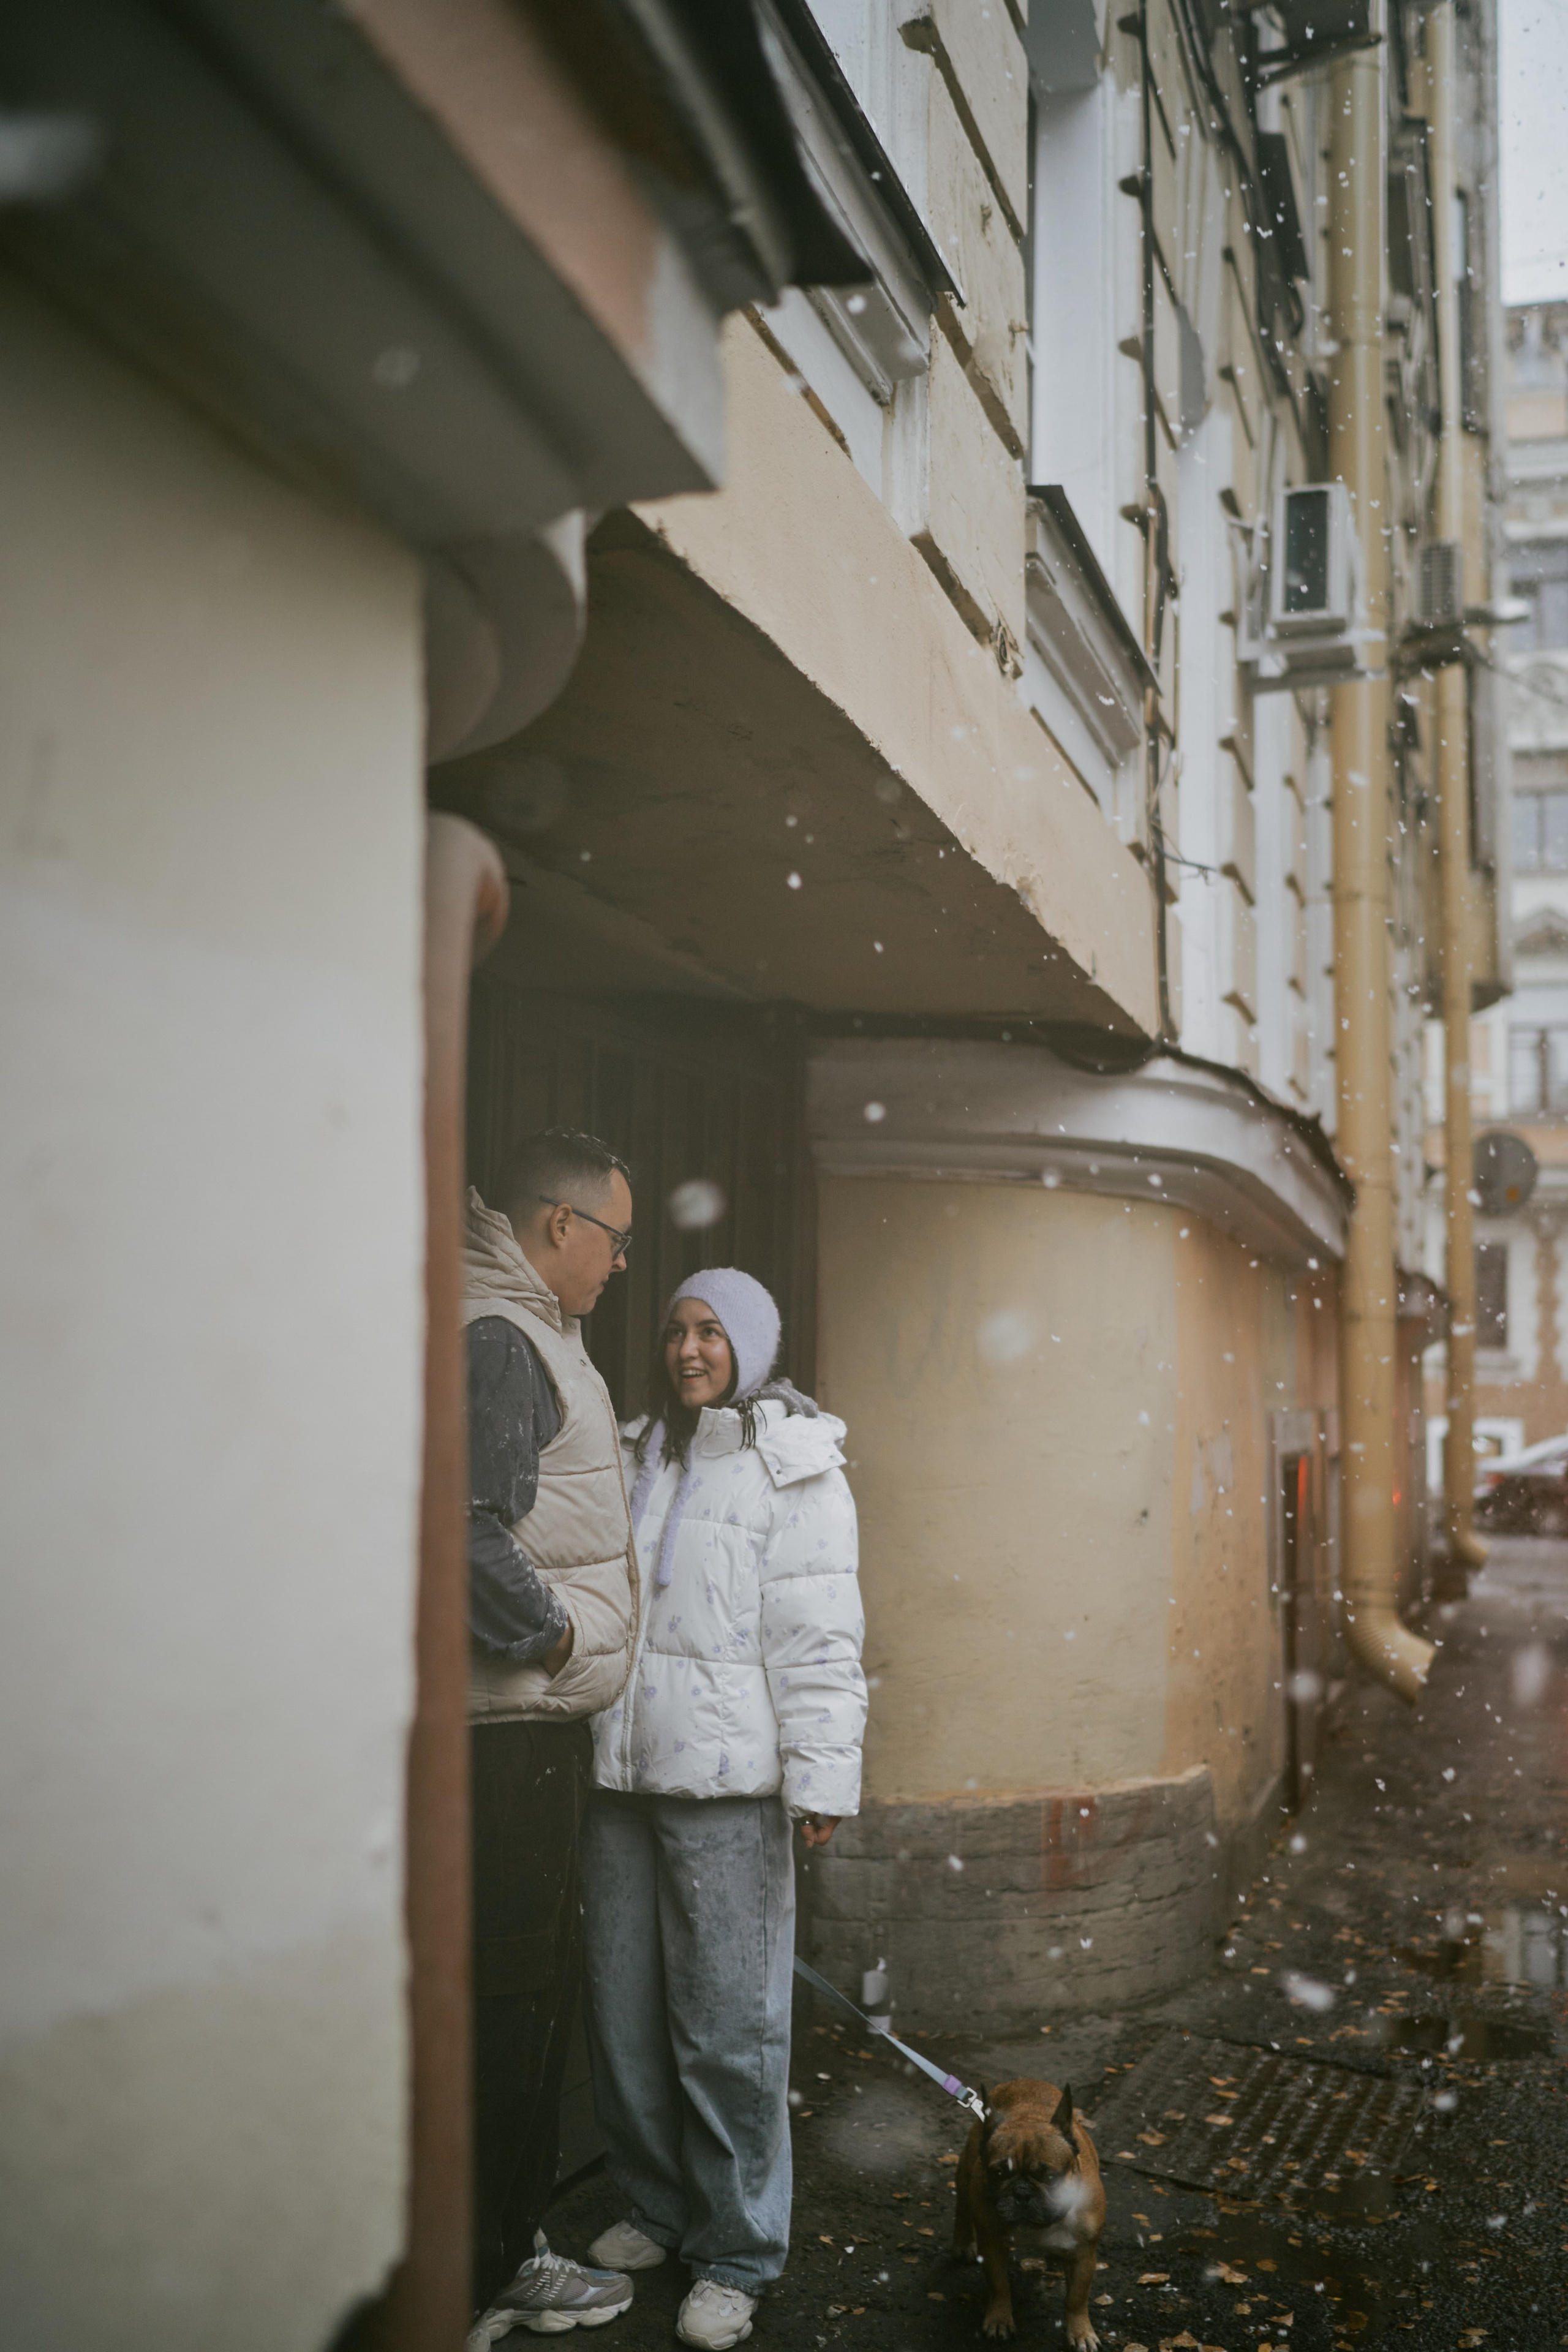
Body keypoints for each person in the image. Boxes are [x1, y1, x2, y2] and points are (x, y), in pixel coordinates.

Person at [579, 1270, 867, 2351]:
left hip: (728, 1795)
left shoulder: (796, 1467)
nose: (688, 1349)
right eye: (676, 1330)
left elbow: (820, 1637)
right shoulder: (637, 1453)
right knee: (625, 2021)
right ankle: (658, 2209)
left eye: (711, 1332)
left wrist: (821, 1776)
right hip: (620, 1783)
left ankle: (737, 2254)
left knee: (728, 2034)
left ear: (750, 1346)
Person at [462, 1130, 641, 2342]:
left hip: (523, 1737)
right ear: (560, 1226)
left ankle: (489, 2247)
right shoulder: (503, 1338)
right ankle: (494, 2263)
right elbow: (462, 1529)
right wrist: (561, 1637)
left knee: (519, 2000)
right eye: (615, 1239)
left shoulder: (532, 1331)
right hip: (506, 1744)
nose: (621, 1265)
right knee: (512, 2008)